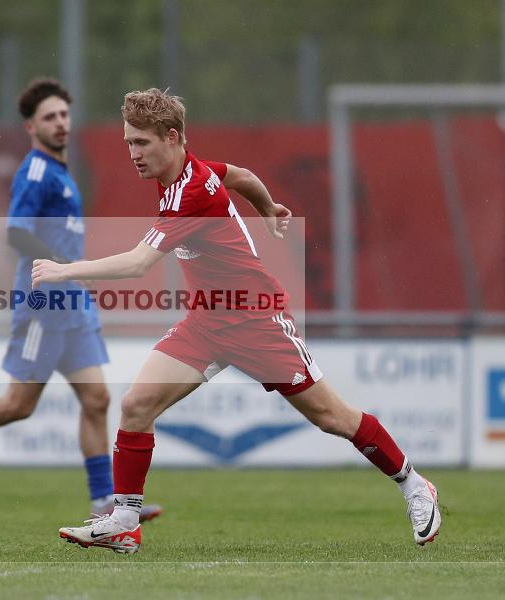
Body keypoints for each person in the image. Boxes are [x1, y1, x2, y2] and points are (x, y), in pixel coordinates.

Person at [34, 88, 441, 554]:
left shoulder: (188, 191)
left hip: (256, 319)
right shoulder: (189, 170)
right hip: (208, 319)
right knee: (136, 406)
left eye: (141, 143)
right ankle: (124, 522)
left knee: (333, 417)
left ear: (171, 137)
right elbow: (242, 175)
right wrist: (266, 208)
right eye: (128, 143)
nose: (133, 154)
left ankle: (414, 484)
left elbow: (138, 263)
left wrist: (65, 270)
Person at [0, 78, 162, 522]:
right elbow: (15, 230)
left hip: (73, 307)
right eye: (50, 117)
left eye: (65, 115)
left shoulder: (61, 171)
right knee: (17, 405)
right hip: (42, 307)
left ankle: (103, 503)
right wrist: (61, 266)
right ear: (31, 126)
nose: (61, 123)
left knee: (97, 400)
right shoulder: (35, 171)